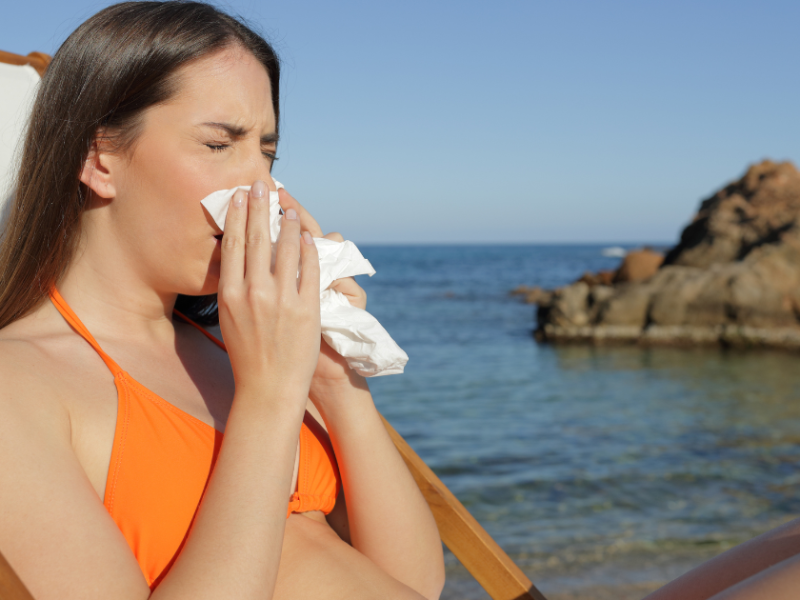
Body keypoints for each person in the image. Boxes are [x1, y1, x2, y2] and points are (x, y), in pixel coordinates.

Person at [0, 2, 445, 599]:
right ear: (97, 157)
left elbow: (414, 582)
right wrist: (268, 398)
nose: (264, 187)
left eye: (267, 151)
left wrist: (336, 382)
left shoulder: (238, 348)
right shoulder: (20, 385)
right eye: (218, 144)